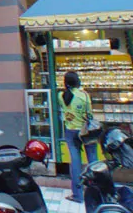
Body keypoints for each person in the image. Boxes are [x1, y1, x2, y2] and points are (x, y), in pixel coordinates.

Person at [59, 71, 98, 203]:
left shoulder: (61, 96)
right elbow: (90, 114)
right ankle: (95, 191)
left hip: (70, 131)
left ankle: (77, 194)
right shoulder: (84, 95)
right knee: (92, 160)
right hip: (85, 131)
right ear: (78, 82)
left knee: (75, 161)